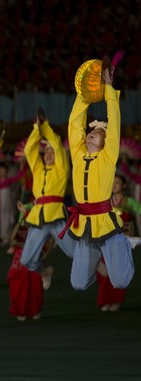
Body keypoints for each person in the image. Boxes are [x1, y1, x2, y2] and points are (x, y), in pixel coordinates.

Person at [63, 67, 138, 291]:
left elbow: (113, 124)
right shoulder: (78, 155)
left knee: (121, 282)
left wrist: (108, 89)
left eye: (97, 132)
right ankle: (98, 261)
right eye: (90, 131)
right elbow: (75, 124)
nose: (90, 132)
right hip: (85, 223)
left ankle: (124, 242)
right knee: (77, 284)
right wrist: (84, 94)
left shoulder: (107, 156)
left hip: (105, 221)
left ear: (105, 141)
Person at [20, 112, 76, 289]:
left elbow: (58, 146)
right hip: (38, 218)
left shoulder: (61, 169)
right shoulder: (37, 169)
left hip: (55, 216)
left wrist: (46, 127)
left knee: (74, 252)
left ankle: (96, 263)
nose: (49, 154)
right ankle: (44, 271)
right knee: (26, 260)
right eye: (46, 151)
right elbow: (29, 150)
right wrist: (37, 128)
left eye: (52, 152)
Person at [96, 174, 141, 311]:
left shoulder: (129, 202)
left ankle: (117, 300)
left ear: (124, 186)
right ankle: (105, 300)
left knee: (120, 270)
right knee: (106, 271)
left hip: (123, 242)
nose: (114, 185)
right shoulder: (106, 202)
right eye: (112, 182)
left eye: (117, 183)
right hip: (107, 240)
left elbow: (139, 213)